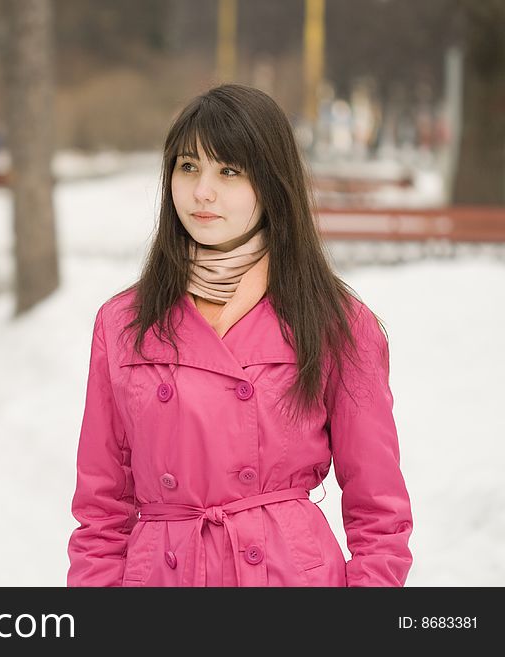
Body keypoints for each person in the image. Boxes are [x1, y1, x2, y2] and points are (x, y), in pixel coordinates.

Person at [66, 84, 413, 587]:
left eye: (228, 171)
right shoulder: (123, 323)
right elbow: (101, 510)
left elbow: (379, 515)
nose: (202, 191)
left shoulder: (335, 323)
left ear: (271, 184)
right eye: (188, 167)